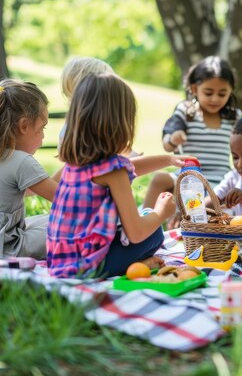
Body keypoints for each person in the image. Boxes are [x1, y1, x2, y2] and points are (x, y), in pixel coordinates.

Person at [47, 73, 193, 278]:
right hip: (87, 268)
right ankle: (132, 265)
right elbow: (136, 233)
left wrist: (168, 160)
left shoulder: (77, 161)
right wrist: (161, 212)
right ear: (121, 123)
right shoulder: (113, 173)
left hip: (61, 259)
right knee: (154, 232)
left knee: (143, 220)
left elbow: (129, 167)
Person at [0, 79, 58, 260]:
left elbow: (32, 191)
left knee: (46, 218)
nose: (43, 137)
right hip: (10, 248)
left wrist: (69, 169)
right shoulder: (21, 161)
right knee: (77, 224)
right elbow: (66, 200)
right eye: (41, 128)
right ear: (24, 126)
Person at [142, 56, 242, 211]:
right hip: (188, 176)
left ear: (230, 91)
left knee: (213, 209)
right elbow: (167, 144)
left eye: (222, 94)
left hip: (220, 180)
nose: (215, 99)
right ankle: (143, 221)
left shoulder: (234, 117)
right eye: (208, 93)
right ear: (195, 89)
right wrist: (173, 140)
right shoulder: (186, 111)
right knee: (159, 179)